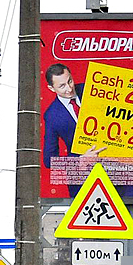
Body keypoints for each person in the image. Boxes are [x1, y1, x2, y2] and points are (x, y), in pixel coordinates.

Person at [42, 64, 104, 198]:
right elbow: (49, 160)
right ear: (51, 88)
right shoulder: (51, 115)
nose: (69, 89)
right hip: (81, 179)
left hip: (116, 170)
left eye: (70, 81)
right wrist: (80, 160)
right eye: (62, 86)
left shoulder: (92, 90)